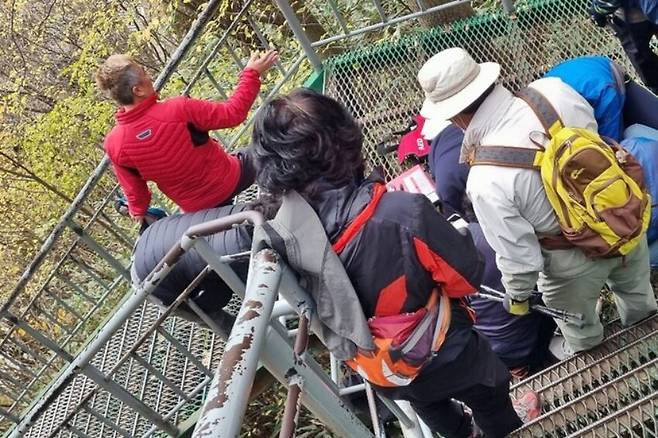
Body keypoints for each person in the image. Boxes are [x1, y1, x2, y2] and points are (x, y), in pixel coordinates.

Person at [250, 88, 540, 438]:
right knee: (489, 391)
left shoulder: (280, 237)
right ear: (344, 138)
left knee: (428, 403)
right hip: (447, 348)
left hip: (382, 365)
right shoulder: (402, 214)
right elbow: (467, 275)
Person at [418, 47, 657, 356]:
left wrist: (517, 299)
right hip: (621, 217)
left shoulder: (484, 180)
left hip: (570, 263)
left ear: (454, 115)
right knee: (638, 296)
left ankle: (605, 362)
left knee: (582, 330)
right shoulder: (554, 91)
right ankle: (647, 343)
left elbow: (520, 259)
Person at [96, 50, 278, 225]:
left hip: (199, 211)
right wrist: (251, 74)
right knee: (270, 148)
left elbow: (137, 193)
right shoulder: (178, 109)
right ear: (138, 90)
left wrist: (138, 212)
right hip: (230, 180)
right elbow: (233, 114)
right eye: (144, 73)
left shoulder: (115, 144)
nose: (150, 75)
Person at [543, 55, 658, 141]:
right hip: (588, 79)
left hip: (605, 85)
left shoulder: (599, 91)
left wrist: (614, 147)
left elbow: (613, 144)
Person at [590, 0, 658, 93]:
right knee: (641, 60)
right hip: (629, 20)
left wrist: (597, 13)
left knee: (640, 57)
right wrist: (597, 13)